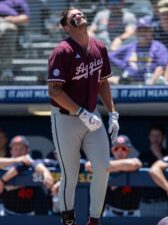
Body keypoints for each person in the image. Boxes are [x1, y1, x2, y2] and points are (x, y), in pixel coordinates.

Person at [47, 7, 119, 225]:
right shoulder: (62, 51)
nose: (79, 16)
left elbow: (103, 82)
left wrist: (113, 113)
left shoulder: (99, 47)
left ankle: (94, 220)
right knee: (71, 173)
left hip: (91, 115)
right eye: (72, 16)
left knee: (104, 167)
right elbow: (54, 91)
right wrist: (80, 112)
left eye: (80, 13)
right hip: (66, 117)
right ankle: (68, 221)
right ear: (66, 27)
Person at [0, 135, 54, 215]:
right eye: (15, 149)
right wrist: (17, 160)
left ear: (27, 150)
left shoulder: (33, 164)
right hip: (8, 213)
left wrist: (45, 172)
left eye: (21, 149)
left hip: (30, 214)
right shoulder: (6, 164)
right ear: (11, 151)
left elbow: (33, 163)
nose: (18, 152)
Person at [85, 135, 142, 217]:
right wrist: (121, 166)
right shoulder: (109, 160)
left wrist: (106, 167)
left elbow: (134, 164)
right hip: (111, 213)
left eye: (123, 148)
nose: (120, 152)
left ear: (129, 150)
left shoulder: (134, 159)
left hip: (133, 214)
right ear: (112, 150)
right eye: (116, 148)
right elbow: (88, 166)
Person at [109, 16, 168, 85]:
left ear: (151, 32)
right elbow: (110, 56)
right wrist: (123, 65)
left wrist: (150, 83)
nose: (142, 34)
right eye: (140, 31)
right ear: (136, 33)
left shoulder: (158, 47)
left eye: (145, 31)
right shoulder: (130, 47)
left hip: (152, 82)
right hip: (129, 81)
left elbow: (161, 67)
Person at [138, 124, 168, 217]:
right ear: (149, 137)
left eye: (158, 136)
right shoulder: (143, 156)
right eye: (153, 136)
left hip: (163, 202)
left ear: (164, 137)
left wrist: (157, 153)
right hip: (146, 202)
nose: (155, 139)